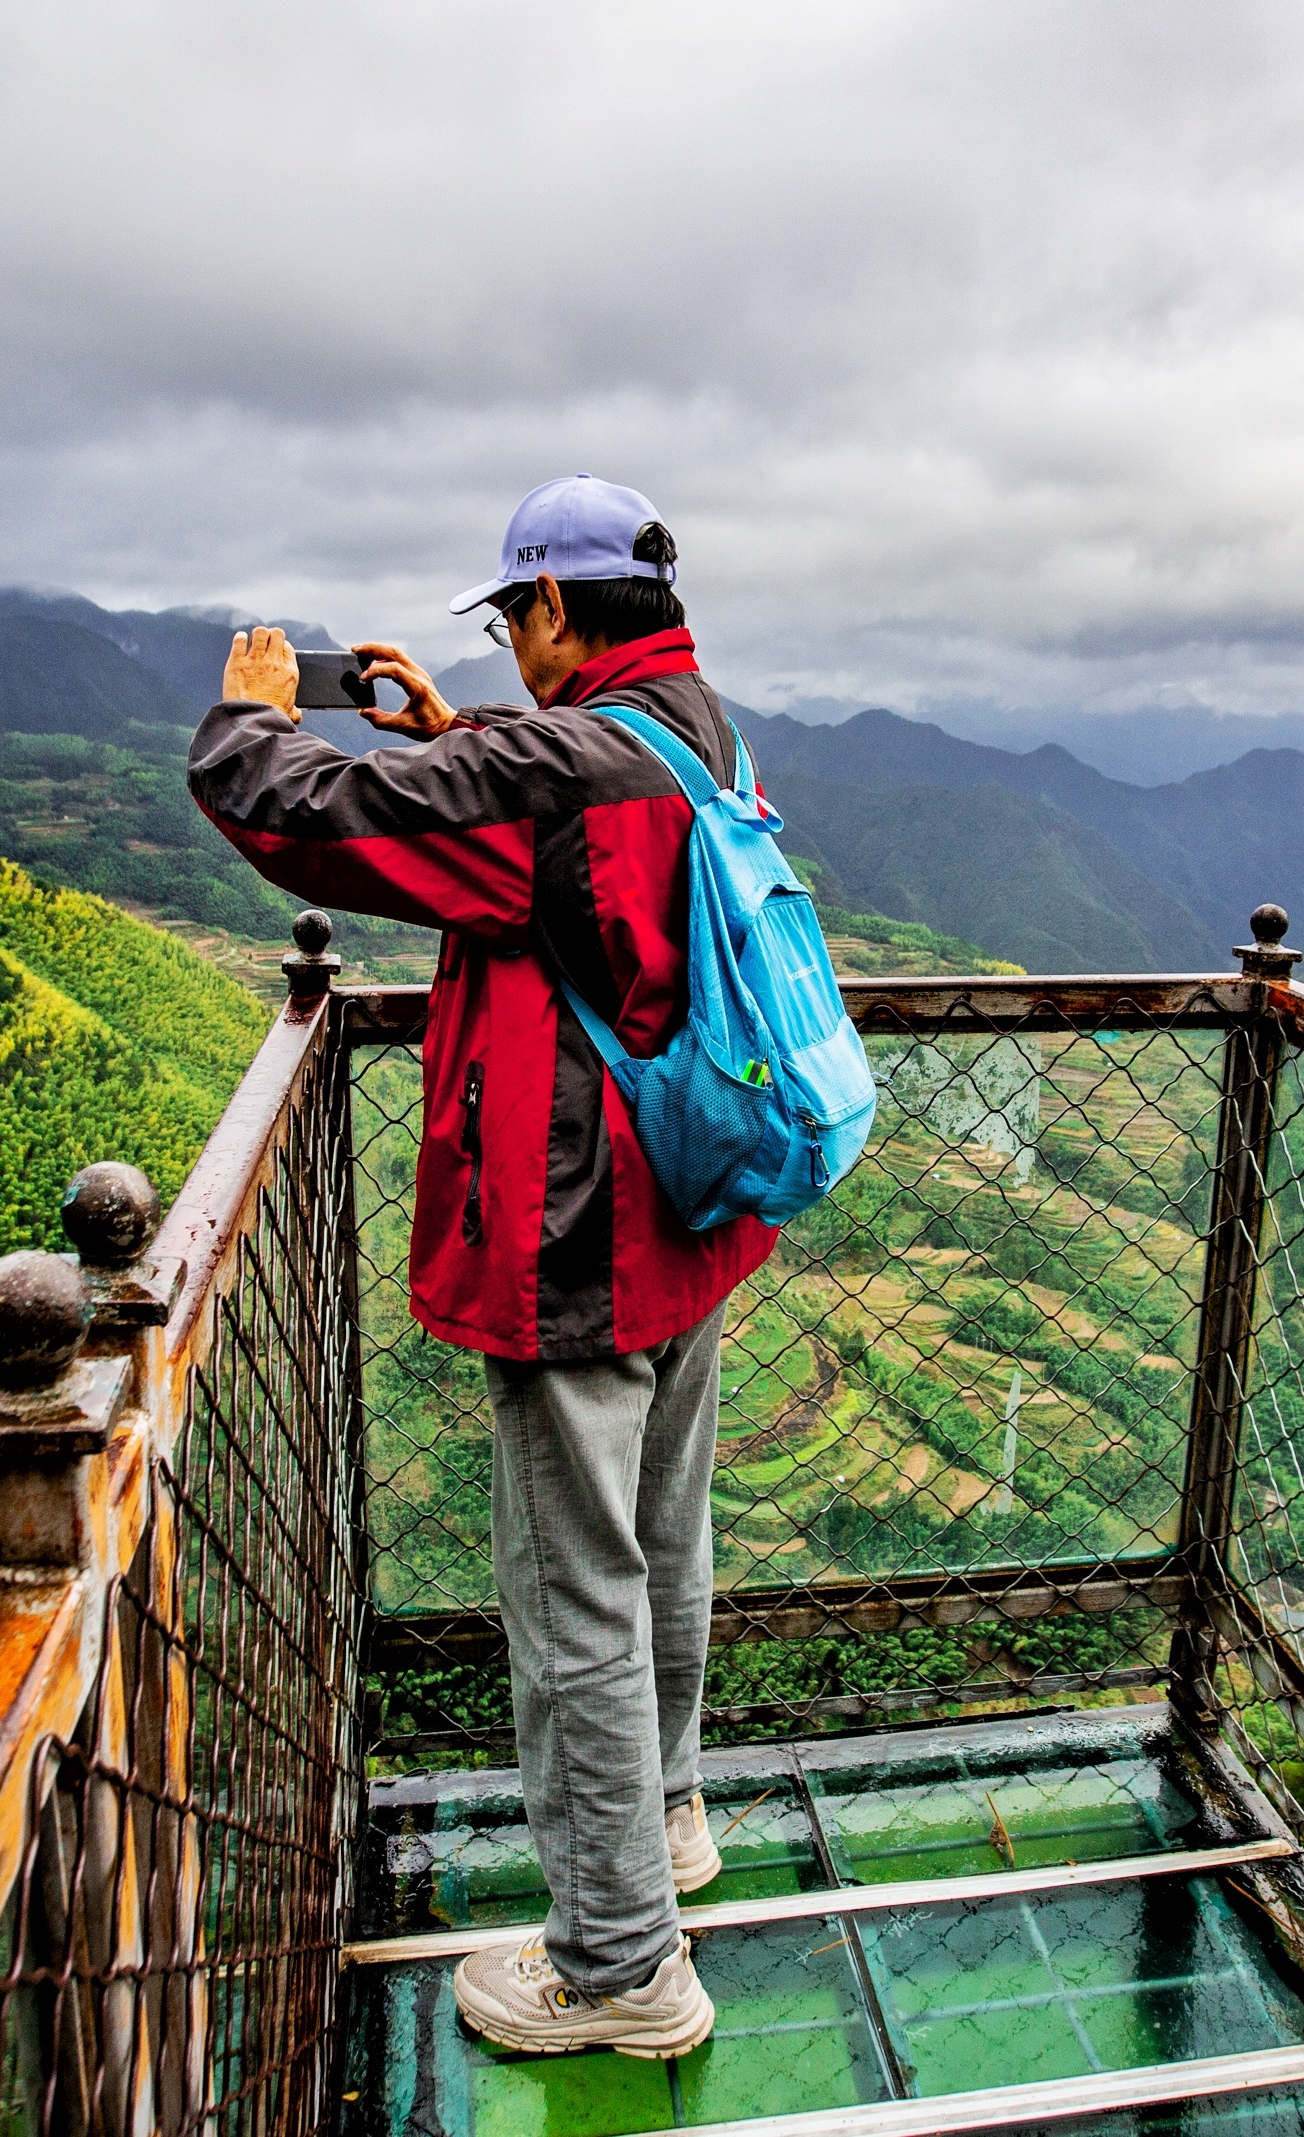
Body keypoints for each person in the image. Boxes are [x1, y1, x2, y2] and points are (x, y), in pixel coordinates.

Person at [188, 475, 769, 2059]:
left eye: (515, 616)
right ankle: (666, 1819)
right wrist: (458, 738)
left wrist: (249, 717)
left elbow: (293, 819)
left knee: (573, 1585)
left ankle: (618, 1965)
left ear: (561, 612)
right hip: (692, 1204)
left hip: (578, 1227)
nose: (511, 645)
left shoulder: (546, 768)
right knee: (661, 1532)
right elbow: (550, 859)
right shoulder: (695, 726)